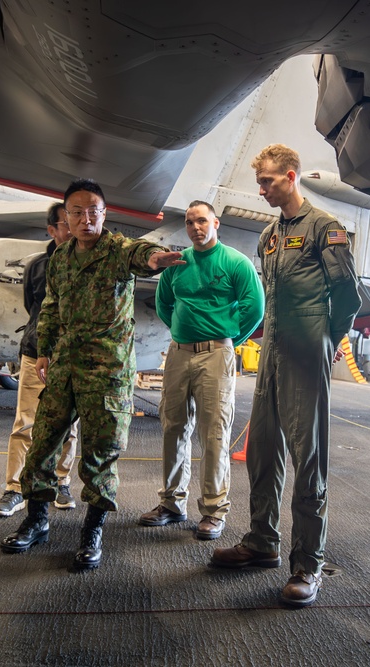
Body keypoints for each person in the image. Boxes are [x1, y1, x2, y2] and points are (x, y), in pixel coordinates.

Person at [0, 178, 184, 570]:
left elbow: (140, 253)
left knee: (100, 454)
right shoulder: (62, 259)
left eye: (93, 212)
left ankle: (92, 530)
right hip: (64, 366)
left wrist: (154, 258)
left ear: (104, 214)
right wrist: (45, 351)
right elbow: (50, 307)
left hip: (107, 371)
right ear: (66, 217)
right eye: (77, 212)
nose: (86, 219)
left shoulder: (116, 251)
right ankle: (36, 521)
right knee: (43, 444)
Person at [210, 144, 361, 608]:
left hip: (306, 352)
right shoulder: (269, 235)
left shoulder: (325, 229)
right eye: (260, 182)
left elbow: (349, 297)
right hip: (272, 354)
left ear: (291, 177)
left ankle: (307, 564)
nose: (262, 190)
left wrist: (327, 340)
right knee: (261, 452)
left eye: (269, 182)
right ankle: (261, 541)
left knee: (308, 460)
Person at [138, 200, 263, 541]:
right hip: (179, 354)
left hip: (216, 354)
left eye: (202, 221)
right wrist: (182, 330)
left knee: (214, 434)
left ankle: (213, 511)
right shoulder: (177, 265)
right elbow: (164, 303)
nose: (196, 227)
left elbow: (255, 307)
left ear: (216, 223)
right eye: (191, 222)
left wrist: (226, 338)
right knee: (173, 427)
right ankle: (171, 503)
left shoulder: (235, 263)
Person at [0, 203, 79, 518]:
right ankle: (15, 488)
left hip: (73, 356)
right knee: (25, 423)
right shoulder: (37, 266)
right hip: (36, 352)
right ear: (51, 230)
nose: (72, 228)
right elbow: (35, 307)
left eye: (75, 221)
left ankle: (61, 481)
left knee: (69, 426)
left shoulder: (87, 264)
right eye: (64, 223)